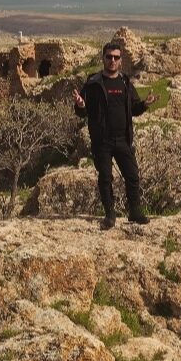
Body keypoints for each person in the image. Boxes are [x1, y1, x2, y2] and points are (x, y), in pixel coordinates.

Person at [73, 42, 157, 229]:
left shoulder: (125, 82)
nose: (112, 60)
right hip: (102, 140)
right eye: (109, 56)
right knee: (105, 177)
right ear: (103, 58)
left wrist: (145, 104)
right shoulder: (93, 83)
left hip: (123, 138)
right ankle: (110, 214)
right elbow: (81, 112)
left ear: (120, 60)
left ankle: (134, 211)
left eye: (116, 57)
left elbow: (134, 109)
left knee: (132, 175)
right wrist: (81, 105)